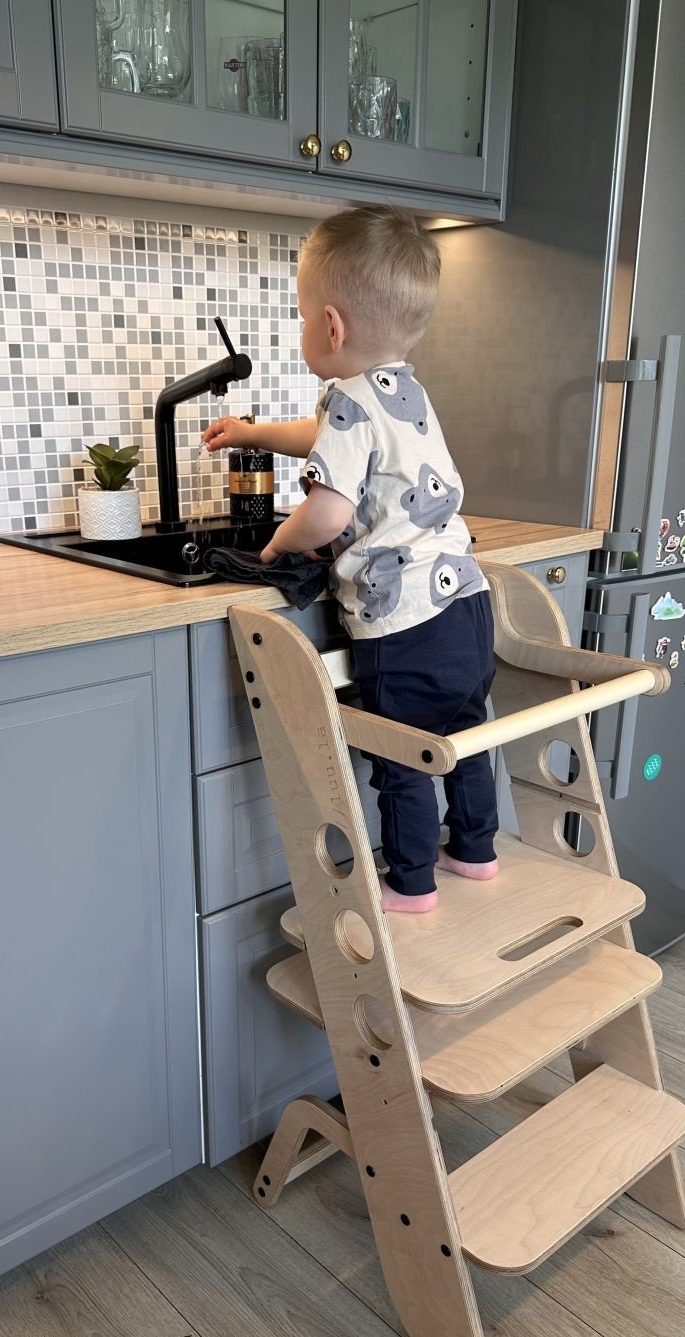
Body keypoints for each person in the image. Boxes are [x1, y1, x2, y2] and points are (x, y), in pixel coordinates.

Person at [203, 205, 498, 913]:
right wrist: (251, 431)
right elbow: (324, 437)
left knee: (399, 750)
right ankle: (477, 852)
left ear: (330, 326)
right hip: (466, 606)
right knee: (463, 734)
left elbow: (328, 513)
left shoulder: (346, 402)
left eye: (304, 317)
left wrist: (277, 545)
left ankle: (412, 882)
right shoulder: (402, 390)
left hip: (403, 626)